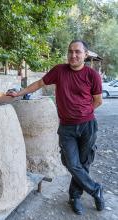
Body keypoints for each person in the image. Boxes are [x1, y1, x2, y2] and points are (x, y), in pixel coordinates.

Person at [6, 40, 105, 215]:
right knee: (72, 164)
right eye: (70, 51)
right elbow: (39, 84)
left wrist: (82, 112)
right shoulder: (59, 70)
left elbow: (98, 101)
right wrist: (19, 93)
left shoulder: (92, 75)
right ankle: (96, 189)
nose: (73, 55)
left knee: (83, 163)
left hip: (87, 126)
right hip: (66, 127)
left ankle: (74, 197)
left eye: (77, 52)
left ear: (85, 54)